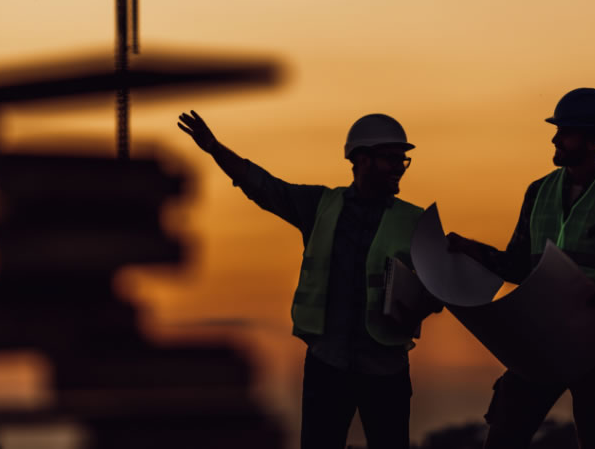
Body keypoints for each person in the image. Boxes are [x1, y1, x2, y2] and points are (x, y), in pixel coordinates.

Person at [177, 110, 436, 449]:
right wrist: (214, 148)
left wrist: (420, 302)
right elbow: (263, 186)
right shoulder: (320, 206)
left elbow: (442, 290)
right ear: (362, 159)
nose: (398, 167)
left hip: (384, 368)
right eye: (390, 159)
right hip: (328, 366)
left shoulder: (416, 222)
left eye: (403, 160)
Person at [445, 88, 595, 449]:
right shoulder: (538, 192)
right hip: (540, 335)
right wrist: (471, 250)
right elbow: (519, 265)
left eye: (565, 131)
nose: (555, 138)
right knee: (505, 433)